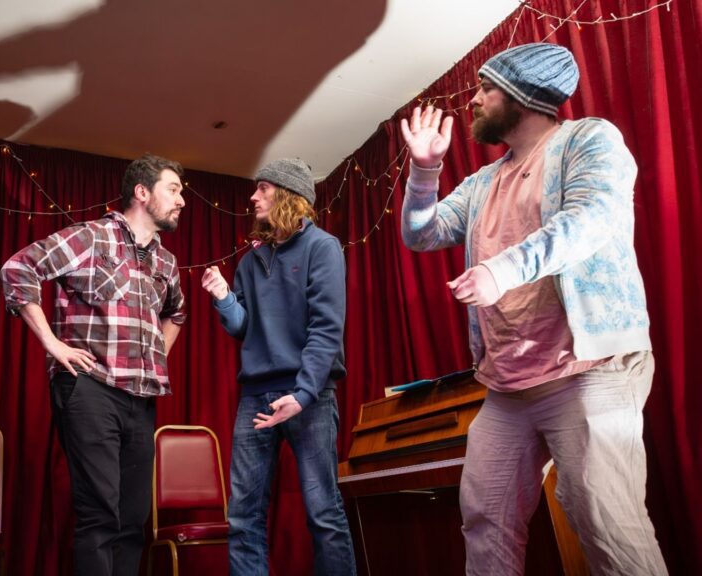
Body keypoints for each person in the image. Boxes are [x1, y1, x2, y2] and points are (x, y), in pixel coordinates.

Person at [399, 43, 667, 575]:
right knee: (484, 521)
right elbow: (421, 234)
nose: (473, 100)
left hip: (589, 371)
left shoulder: (589, 140)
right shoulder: (482, 182)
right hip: (508, 390)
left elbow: (591, 220)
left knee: (609, 529)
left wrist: (502, 270)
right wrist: (425, 172)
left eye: (486, 88)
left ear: (523, 96)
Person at [0, 154, 186, 576]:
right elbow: (18, 268)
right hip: (90, 387)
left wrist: (155, 357)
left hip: (141, 397)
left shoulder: (166, 262)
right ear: (142, 192)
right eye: (173, 190)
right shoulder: (91, 237)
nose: (181, 201)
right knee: (101, 514)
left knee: (132, 518)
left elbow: (176, 313)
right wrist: (51, 344)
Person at [200, 158, 356, 576]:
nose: (253, 197)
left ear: (289, 195)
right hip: (256, 398)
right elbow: (243, 327)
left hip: (310, 396)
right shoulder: (250, 262)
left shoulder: (322, 247)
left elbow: (326, 330)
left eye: (263, 188)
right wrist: (222, 298)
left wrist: (303, 395)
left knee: (324, 513)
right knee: (243, 517)